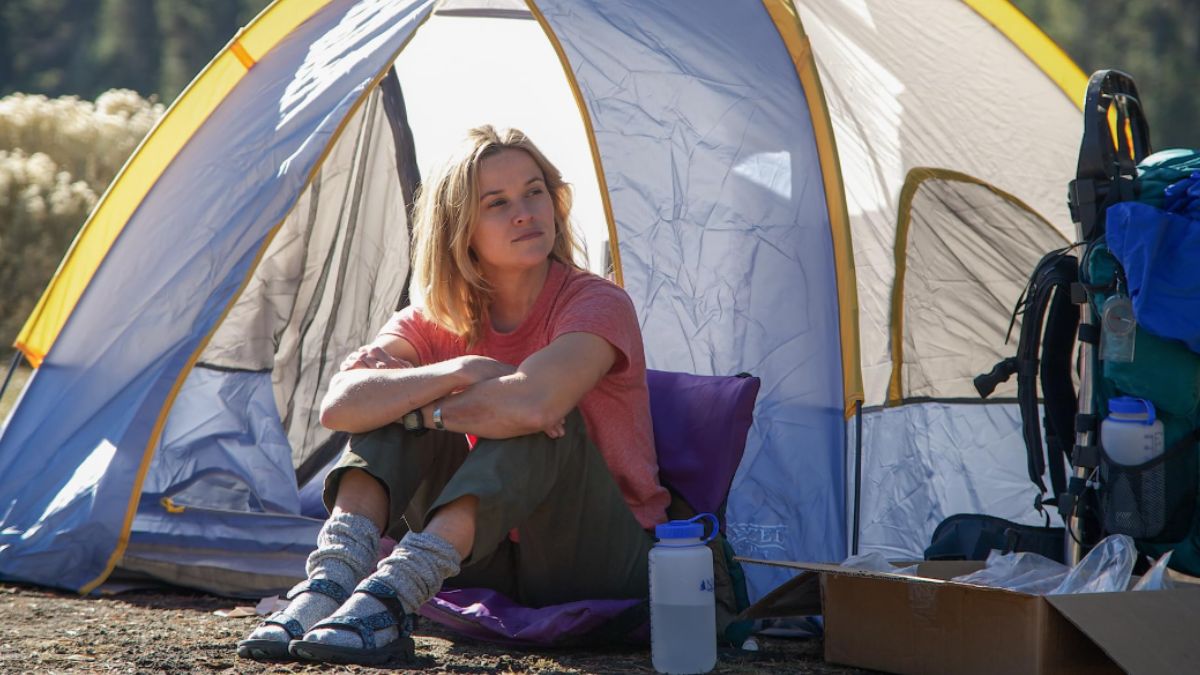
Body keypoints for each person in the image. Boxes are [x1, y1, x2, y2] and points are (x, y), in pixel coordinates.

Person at [237, 125, 670, 665]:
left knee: (528, 419)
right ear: (460, 227)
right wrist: (457, 370)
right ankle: (328, 586)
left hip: (600, 557)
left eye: (535, 192)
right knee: (389, 405)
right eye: (498, 203)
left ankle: (389, 596)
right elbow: (343, 405)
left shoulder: (596, 302)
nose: (524, 212)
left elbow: (534, 405)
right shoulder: (439, 316)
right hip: (487, 555)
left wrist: (424, 407)